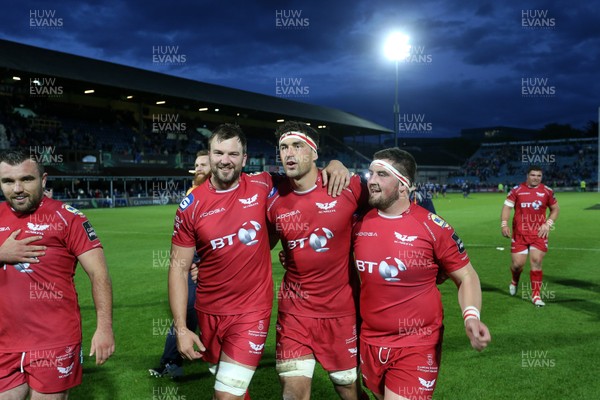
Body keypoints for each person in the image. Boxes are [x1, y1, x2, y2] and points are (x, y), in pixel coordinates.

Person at [168, 123, 349, 400]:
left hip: (251, 312)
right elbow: (179, 268)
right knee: (235, 392)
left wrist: (336, 164)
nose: (225, 160)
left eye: (233, 154)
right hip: (209, 312)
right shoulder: (191, 205)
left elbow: (304, 176)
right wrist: (181, 328)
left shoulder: (263, 184)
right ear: (210, 155)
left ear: (245, 158)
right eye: (218, 153)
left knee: (226, 395)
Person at [353, 148, 491, 400]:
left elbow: (467, 276)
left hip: (417, 343)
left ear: (403, 186)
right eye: (370, 173)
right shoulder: (359, 224)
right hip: (370, 340)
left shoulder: (432, 227)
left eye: (382, 174)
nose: (371, 180)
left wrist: (471, 317)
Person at [0, 150, 115, 399]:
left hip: (53, 340)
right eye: (8, 181)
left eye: (26, 179)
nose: (17, 188)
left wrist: (104, 327)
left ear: (43, 180)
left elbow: (99, 275)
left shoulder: (69, 218)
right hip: (3, 342)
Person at [267, 121, 369, 400]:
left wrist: (339, 163)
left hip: (340, 312)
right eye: (284, 147)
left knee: (348, 389)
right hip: (294, 312)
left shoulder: (348, 187)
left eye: (298, 146)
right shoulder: (274, 196)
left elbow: (391, 211)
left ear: (314, 153)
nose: (289, 153)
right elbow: (258, 243)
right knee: (293, 393)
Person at [149, 150, 210, 379]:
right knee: (187, 311)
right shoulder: (193, 193)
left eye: (204, 164)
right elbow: (188, 236)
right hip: (191, 265)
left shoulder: (213, 193)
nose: (199, 168)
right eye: (197, 164)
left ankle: (220, 354)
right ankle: (170, 361)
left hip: (206, 266)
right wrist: (195, 262)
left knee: (202, 311)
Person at [501, 166, 559, 307]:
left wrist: (548, 223)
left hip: (539, 233)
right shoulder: (517, 190)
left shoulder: (547, 191)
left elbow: (555, 209)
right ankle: (515, 280)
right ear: (527, 175)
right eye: (533, 175)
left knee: (536, 261)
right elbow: (507, 207)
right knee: (517, 265)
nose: (536, 178)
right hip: (520, 233)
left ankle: (536, 296)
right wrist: (504, 224)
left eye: (539, 175)